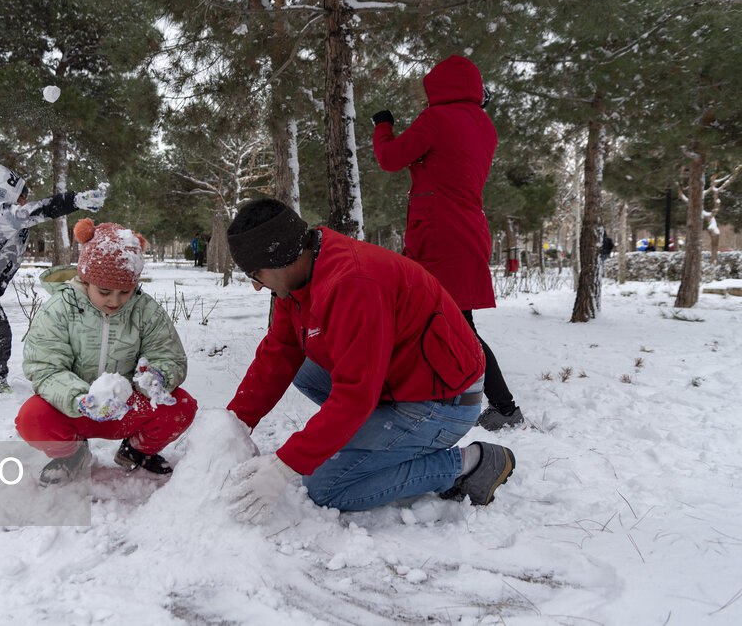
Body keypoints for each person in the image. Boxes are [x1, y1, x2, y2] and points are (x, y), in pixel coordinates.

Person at [222, 198, 516, 523]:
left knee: (326, 486)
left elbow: (355, 396)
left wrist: (282, 468)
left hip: (444, 401)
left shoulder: (353, 283)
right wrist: (231, 427)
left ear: (278, 260)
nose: (256, 286)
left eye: (255, 275)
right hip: (399, 382)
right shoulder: (300, 279)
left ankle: (471, 463)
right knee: (304, 369)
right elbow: (278, 353)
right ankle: (386, 440)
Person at [371, 54, 525, 432]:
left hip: (440, 234)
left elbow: (390, 158)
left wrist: (383, 125)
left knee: (450, 324)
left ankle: (503, 407)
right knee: (444, 320)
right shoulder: (484, 125)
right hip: (467, 229)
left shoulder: (437, 119)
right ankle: (441, 395)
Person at [15, 219, 197, 485]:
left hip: (126, 408)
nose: (114, 300)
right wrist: (79, 398)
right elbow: (45, 367)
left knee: (181, 407)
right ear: (86, 280)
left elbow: (169, 356)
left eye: (125, 292)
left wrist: (156, 378)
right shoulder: (59, 309)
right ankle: (73, 455)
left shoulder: (146, 311)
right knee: (32, 419)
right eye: (104, 292)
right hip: (75, 408)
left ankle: (135, 451)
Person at [0, 163, 105, 396]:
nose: (24, 202)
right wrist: (75, 201)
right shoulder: (1, 212)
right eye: (21, 197)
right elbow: (42, 209)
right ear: (6, 193)